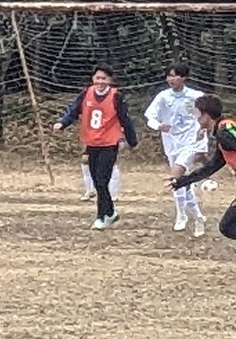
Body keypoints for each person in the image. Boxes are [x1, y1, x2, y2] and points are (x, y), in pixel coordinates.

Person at [54, 64, 138, 230]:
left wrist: (132, 141)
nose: (100, 81)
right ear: (93, 79)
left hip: (109, 143)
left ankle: (101, 216)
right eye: (97, 78)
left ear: (110, 80)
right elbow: (73, 110)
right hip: (91, 142)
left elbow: (125, 120)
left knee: (101, 179)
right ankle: (111, 212)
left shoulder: (116, 97)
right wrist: (62, 123)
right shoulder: (86, 93)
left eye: (104, 78)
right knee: (96, 180)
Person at [144, 63, 208, 237]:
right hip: (172, 143)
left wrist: (203, 129)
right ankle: (196, 216)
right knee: (182, 182)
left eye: (175, 75)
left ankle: (181, 215)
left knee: (178, 178)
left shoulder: (195, 96)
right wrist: (158, 126)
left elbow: (207, 114)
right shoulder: (163, 97)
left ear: (184, 77)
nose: (171, 79)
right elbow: (149, 116)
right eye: (169, 76)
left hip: (191, 142)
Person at [168, 94, 236, 239]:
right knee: (227, 227)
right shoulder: (222, 134)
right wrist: (181, 181)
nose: (196, 117)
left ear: (206, 115)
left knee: (229, 226)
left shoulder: (225, 130)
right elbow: (211, 167)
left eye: (197, 113)